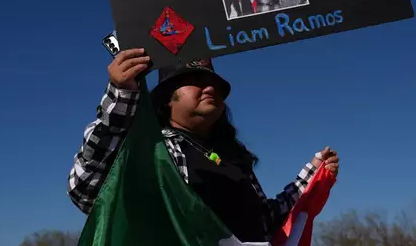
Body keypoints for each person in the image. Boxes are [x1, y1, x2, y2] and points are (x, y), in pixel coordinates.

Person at [67, 49, 340, 243]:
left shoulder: (233, 158)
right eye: (195, 81)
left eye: (214, 84)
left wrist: (310, 176)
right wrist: (122, 92)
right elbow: (87, 188)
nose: (209, 88)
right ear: (167, 99)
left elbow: (265, 223)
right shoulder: (150, 152)